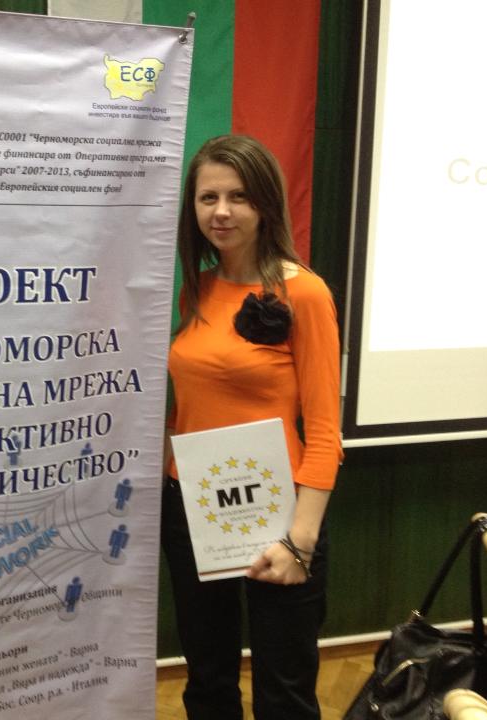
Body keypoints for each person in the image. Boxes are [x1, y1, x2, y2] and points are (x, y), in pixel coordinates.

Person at [161, 134, 342, 719]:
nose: (221, 211)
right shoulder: (198, 288)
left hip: (279, 513)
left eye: (238, 196)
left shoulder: (304, 292)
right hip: (193, 506)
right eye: (207, 197)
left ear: (265, 204)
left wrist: (300, 540)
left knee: (284, 692)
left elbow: (325, 430)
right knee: (207, 680)